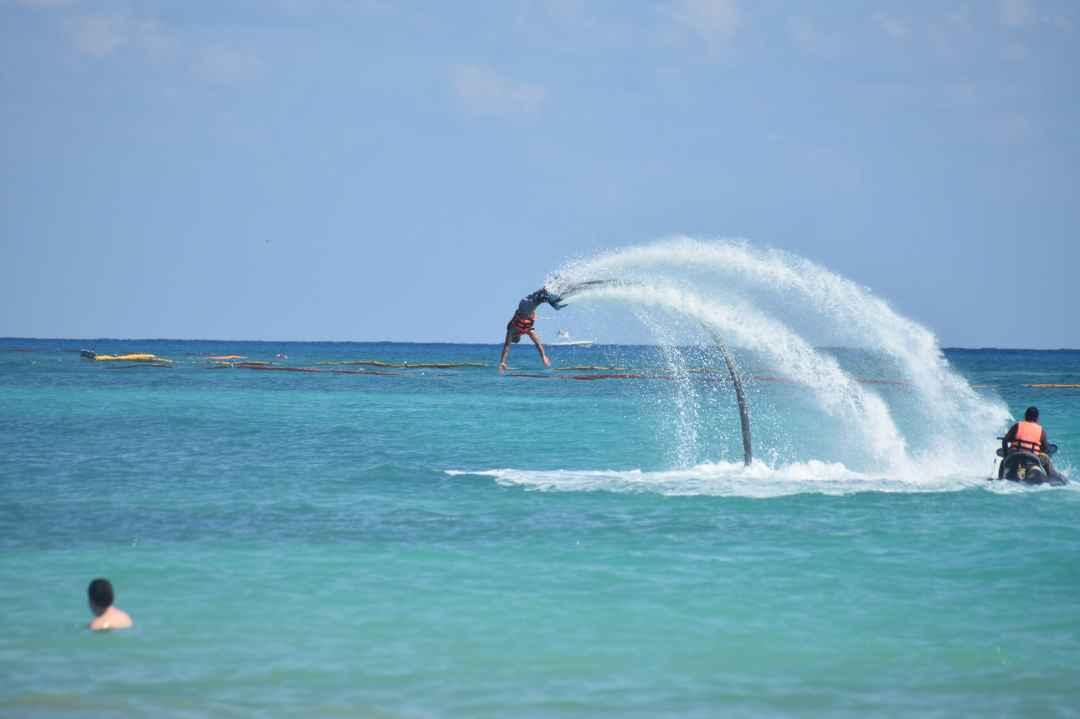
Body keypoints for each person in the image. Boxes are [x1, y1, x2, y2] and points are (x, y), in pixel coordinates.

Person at [498, 288, 566, 372]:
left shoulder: (516, 330)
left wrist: (502, 362)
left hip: (526, 307)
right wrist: (543, 356)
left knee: (544, 299)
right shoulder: (528, 330)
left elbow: (507, 346)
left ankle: (548, 294)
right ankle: (562, 290)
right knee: (552, 300)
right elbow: (537, 343)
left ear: (517, 336)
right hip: (525, 303)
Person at [1000, 406, 1053, 477]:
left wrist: (1006, 455)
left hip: (1014, 458)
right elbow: (1045, 448)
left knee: (1002, 462)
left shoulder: (1017, 425)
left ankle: (1000, 479)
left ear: (1025, 416)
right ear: (1037, 418)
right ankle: (1049, 479)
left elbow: (1005, 441)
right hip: (1031, 460)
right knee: (1046, 460)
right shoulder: (1041, 430)